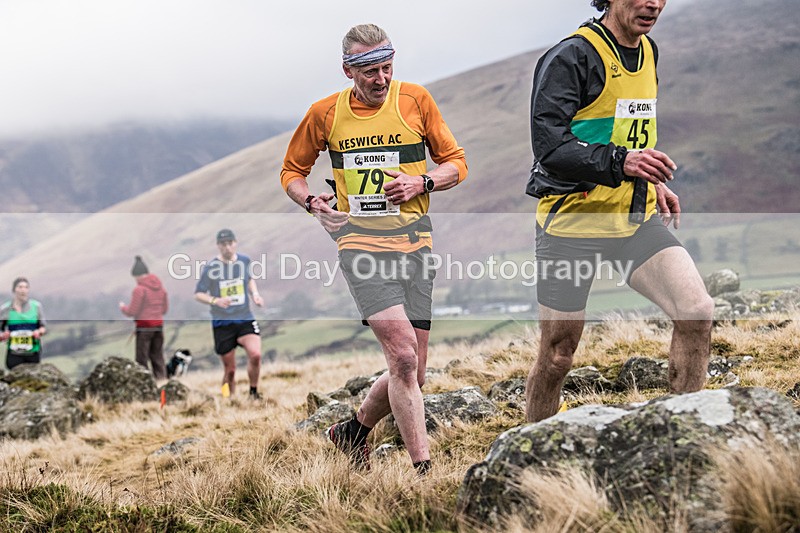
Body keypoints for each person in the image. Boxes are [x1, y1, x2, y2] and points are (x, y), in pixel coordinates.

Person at [280, 24, 467, 474]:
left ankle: (353, 431)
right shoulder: (324, 114)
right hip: (361, 246)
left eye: (387, 68)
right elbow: (291, 171)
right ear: (349, 70)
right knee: (402, 356)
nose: (381, 79)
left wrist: (421, 181)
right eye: (370, 71)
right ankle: (423, 471)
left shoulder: (415, 100)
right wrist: (312, 202)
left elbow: (457, 164)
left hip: (416, 243)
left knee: (415, 372)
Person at [525, 0, 714, 422]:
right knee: (558, 354)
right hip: (571, 226)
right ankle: (528, 455)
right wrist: (621, 163)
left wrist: (652, 179)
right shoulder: (571, 56)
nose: (653, 4)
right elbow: (550, 147)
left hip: (634, 220)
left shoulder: (649, 52)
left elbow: (628, 131)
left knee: (697, 312)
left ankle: (683, 432)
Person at [194, 229, 265, 399]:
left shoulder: (244, 261)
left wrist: (254, 294)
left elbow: (248, 279)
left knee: (255, 355)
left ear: (235, 243)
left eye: (230, 243)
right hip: (223, 323)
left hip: (244, 318)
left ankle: (253, 393)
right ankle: (228, 398)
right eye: (223, 244)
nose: (227, 247)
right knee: (230, 370)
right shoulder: (211, 268)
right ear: (218, 246)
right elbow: (198, 294)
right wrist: (215, 301)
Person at [119, 256, 169, 380]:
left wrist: (123, 307)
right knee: (157, 356)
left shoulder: (139, 290)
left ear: (137, 275)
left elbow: (132, 311)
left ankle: (144, 385)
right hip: (158, 326)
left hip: (144, 328)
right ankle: (162, 381)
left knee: (141, 359)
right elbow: (164, 310)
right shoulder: (161, 289)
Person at [0, 277, 47, 370]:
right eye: (20, 287)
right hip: (14, 353)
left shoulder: (36, 306)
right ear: (14, 290)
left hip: (33, 352)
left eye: (26, 287)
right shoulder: (5, 309)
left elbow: (43, 327)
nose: (23, 290)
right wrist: (2, 335)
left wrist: (39, 332)